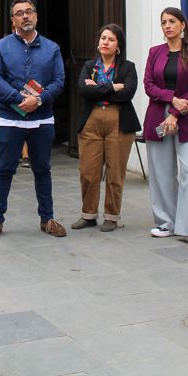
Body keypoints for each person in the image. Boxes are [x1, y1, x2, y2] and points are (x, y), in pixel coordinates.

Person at [0, 0, 66, 240]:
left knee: (42, 169)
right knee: (5, 169)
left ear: (36, 16)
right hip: (11, 117)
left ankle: (47, 218)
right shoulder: (0, 47)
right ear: (13, 20)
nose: (25, 16)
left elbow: (59, 81)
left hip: (41, 118)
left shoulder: (52, 48)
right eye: (19, 13)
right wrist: (18, 99)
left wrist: (38, 100)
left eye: (29, 11)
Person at [142, 8, 188, 246]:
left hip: (187, 118)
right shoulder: (155, 53)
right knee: (161, 173)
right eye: (163, 22)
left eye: (172, 21)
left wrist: (176, 112)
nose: (167, 26)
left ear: (183, 24)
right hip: (157, 118)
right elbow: (148, 85)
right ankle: (165, 222)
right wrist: (172, 99)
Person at [71, 24, 141, 232]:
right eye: (103, 38)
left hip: (119, 121)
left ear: (118, 45)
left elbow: (128, 92)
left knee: (115, 172)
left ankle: (111, 216)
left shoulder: (128, 67)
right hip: (91, 120)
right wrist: (112, 86)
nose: (105, 42)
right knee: (88, 172)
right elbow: (84, 91)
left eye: (110, 39)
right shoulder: (89, 66)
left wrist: (98, 88)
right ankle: (88, 215)